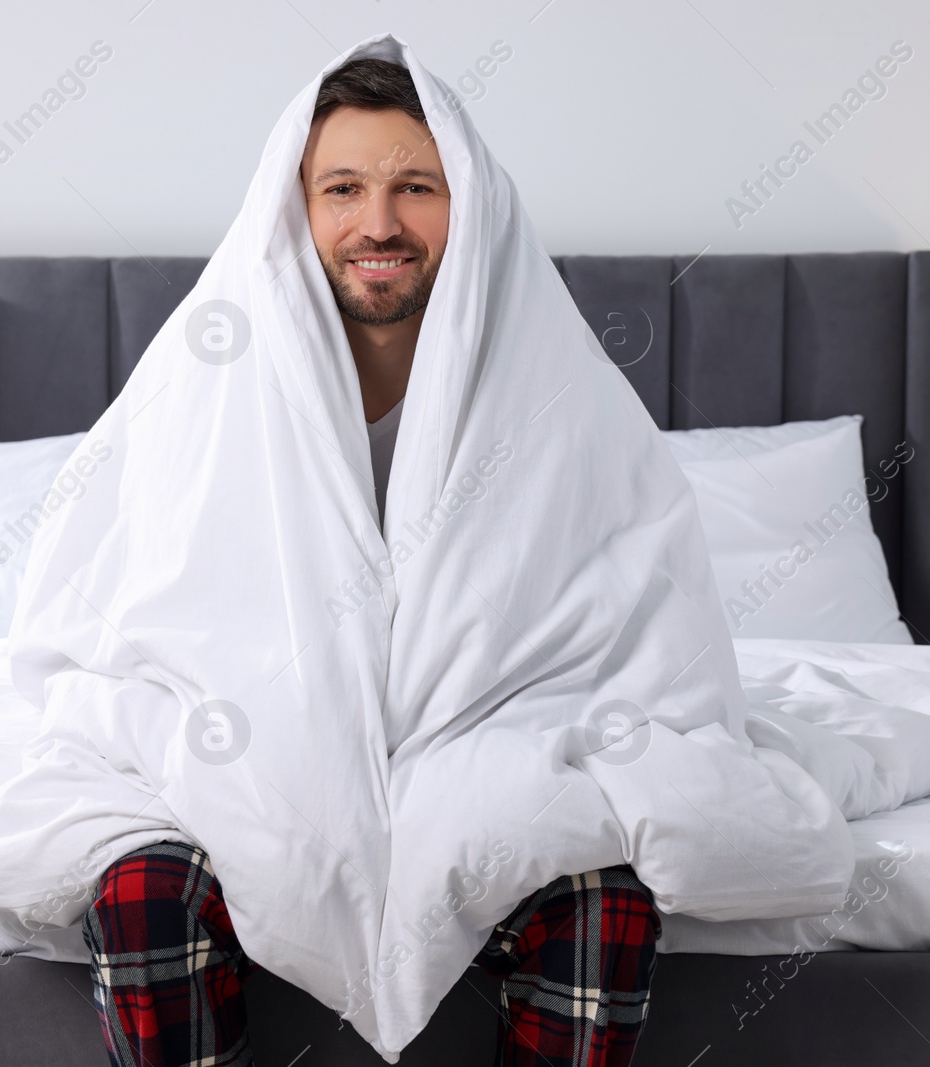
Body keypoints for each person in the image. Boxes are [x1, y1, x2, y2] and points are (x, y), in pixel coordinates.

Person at [82, 57, 661, 1067]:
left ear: (466, 205)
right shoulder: (204, 376)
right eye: (343, 189)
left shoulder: (561, 387)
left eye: (415, 189)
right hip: (251, 748)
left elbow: (627, 614)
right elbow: (143, 609)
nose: (378, 223)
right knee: (141, 895)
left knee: (603, 896)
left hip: (496, 737)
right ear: (295, 206)